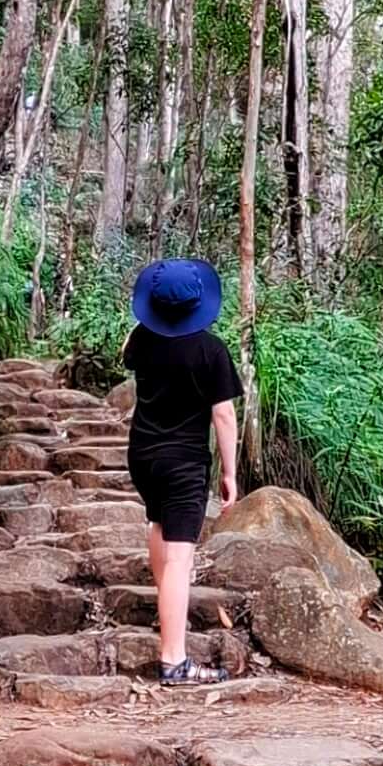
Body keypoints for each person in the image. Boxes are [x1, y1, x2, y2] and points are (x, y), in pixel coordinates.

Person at [121, 258, 240, 682]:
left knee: (157, 523)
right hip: (185, 461)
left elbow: (126, 356)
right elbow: (223, 416)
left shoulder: (142, 338)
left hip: (143, 455)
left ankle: (167, 609)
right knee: (181, 554)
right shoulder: (212, 350)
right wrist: (230, 473)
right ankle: (174, 659)